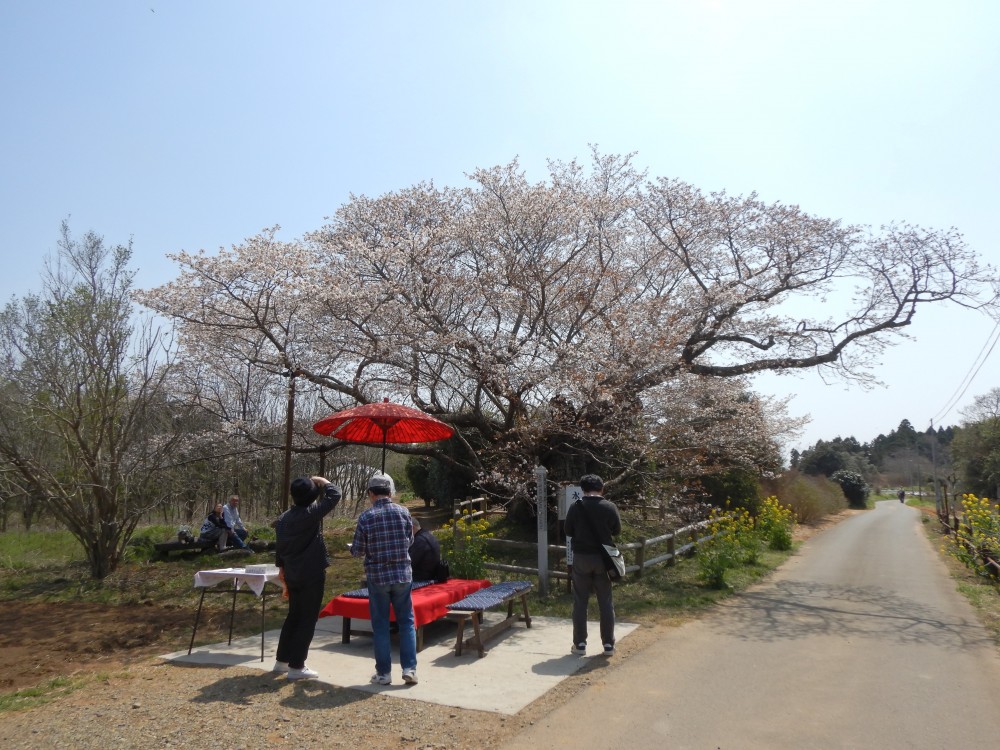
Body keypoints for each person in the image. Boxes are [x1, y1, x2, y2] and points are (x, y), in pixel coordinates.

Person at [350, 473, 418, 686]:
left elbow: (358, 550)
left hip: (378, 576)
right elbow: (409, 540)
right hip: (402, 574)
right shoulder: (404, 512)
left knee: (380, 625)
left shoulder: (366, 517)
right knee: (406, 622)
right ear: (390, 493)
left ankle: (383, 674)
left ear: (371, 494)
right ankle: (410, 669)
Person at [273, 475, 342, 681]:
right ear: (312, 497)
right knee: (307, 619)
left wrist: (281, 567)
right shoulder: (310, 514)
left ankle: (282, 661)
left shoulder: (283, 518)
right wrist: (324, 481)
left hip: (292, 572)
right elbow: (335, 495)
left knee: (294, 616)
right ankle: (297, 666)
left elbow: (280, 546)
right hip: (311, 572)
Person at [563, 473, 622, 657]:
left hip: (581, 557)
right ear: (601, 488)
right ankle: (608, 645)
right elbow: (617, 530)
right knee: (605, 602)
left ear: (583, 489)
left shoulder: (575, 507)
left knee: (580, 601)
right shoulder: (609, 507)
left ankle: (580, 644)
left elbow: (568, 531)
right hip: (603, 559)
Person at [409, 517, 443, 582]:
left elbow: (410, 563)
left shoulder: (419, 540)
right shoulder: (428, 535)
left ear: (412, 528)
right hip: (433, 574)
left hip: (423, 579)